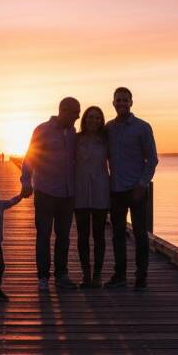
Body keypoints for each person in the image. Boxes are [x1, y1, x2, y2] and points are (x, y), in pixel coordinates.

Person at [20, 97, 81, 290]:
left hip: (68, 193)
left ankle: (61, 275)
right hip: (46, 191)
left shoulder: (73, 133)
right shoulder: (42, 130)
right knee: (44, 235)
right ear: (63, 110)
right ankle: (43, 277)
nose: (77, 116)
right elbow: (30, 156)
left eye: (78, 113)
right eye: (74, 112)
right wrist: (25, 181)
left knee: (63, 236)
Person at [105, 87, 158, 290]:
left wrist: (142, 184)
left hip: (136, 190)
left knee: (140, 234)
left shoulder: (142, 128)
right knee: (117, 234)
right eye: (118, 100)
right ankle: (119, 275)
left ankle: (141, 276)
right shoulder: (109, 128)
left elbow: (152, 159)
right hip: (116, 189)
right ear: (113, 103)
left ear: (131, 103)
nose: (121, 104)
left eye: (125, 100)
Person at [74, 106, 110, 288]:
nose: (93, 120)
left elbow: (116, 161)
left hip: (100, 191)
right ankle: (85, 274)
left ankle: (97, 275)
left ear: (101, 120)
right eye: (90, 117)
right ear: (85, 119)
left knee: (99, 236)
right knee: (82, 236)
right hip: (80, 191)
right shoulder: (76, 139)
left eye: (97, 118)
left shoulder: (106, 140)